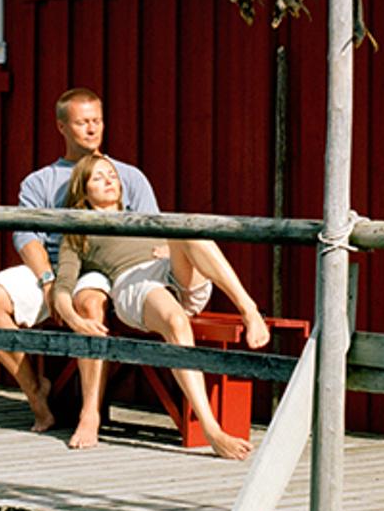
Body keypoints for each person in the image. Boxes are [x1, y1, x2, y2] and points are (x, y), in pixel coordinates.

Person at [45, 145, 266, 458]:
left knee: (187, 228)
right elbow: (62, 289)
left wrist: (168, 245)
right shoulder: (78, 232)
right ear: (83, 191)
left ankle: (248, 308)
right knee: (176, 322)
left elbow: (178, 245)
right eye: (98, 179)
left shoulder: (142, 217)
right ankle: (211, 429)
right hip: (135, 284)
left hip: (172, 274)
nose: (109, 181)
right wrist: (76, 320)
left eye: (112, 176)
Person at [0, 89, 115, 435]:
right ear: (62, 127)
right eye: (82, 122)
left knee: (90, 304)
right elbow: (25, 234)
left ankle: (89, 414)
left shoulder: (122, 175)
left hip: (99, 270)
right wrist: (48, 279)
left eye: (97, 121)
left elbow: (150, 229)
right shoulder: (40, 182)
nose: (92, 129)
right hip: (50, 266)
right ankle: (37, 396)